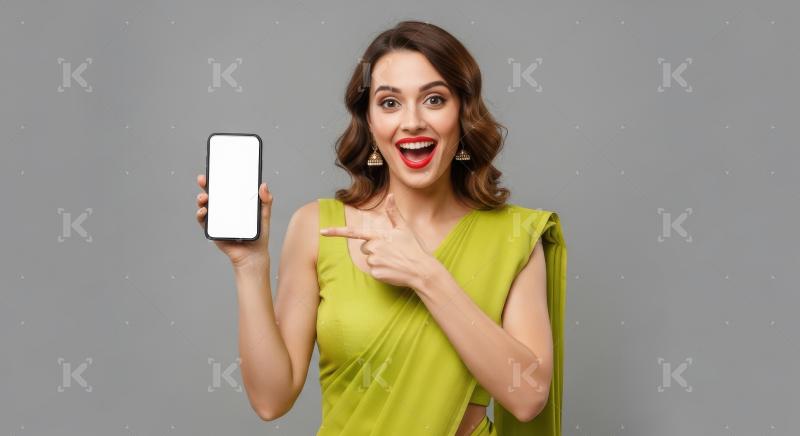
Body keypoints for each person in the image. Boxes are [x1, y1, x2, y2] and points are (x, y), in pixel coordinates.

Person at [195, 20, 566, 436]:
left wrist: (425, 274)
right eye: (390, 103)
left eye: (434, 99)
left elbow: (529, 395)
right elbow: (270, 399)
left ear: (463, 114)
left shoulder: (514, 236)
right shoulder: (316, 226)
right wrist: (249, 264)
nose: (412, 122)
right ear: (369, 123)